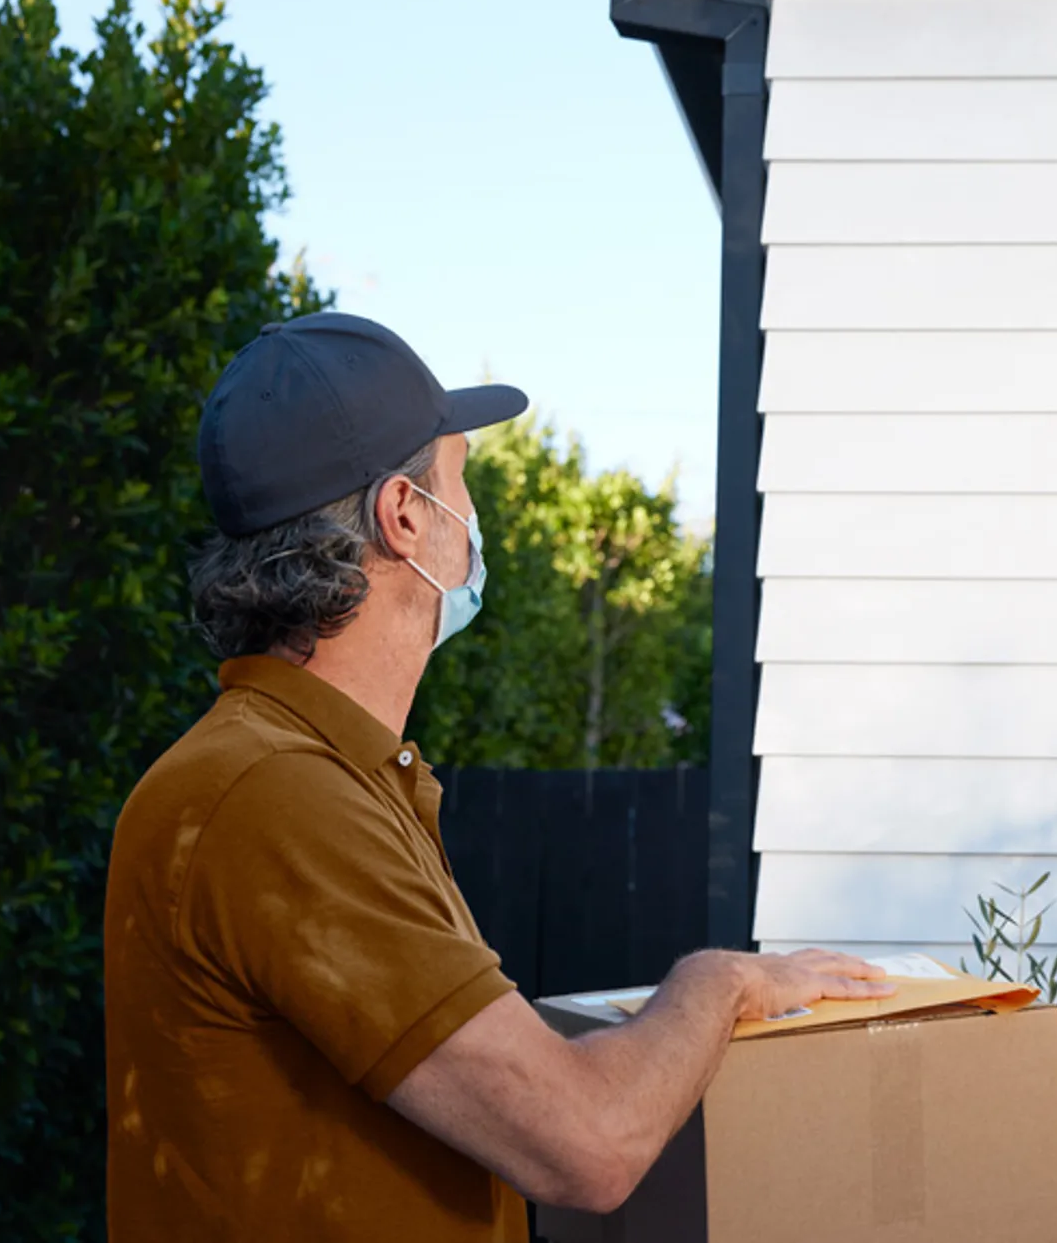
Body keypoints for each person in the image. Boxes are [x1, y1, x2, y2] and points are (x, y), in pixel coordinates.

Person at [102, 313, 892, 1241]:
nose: (473, 520)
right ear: (404, 516)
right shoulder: (276, 797)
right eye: (462, 479)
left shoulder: (311, 774)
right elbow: (587, 1142)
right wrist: (719, 982)